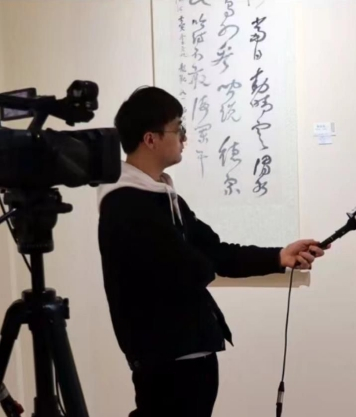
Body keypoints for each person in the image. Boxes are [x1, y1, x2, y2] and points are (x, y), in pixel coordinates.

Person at [97, 86, 326, 417]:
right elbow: (193, 269)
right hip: (166, 358)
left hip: (188, 354)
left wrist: (279, 256)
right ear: (151, 139)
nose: (185, 137)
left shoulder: (162, 195)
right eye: (178, 128)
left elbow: (215, 251)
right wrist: (203, 261)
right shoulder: (126, 203)